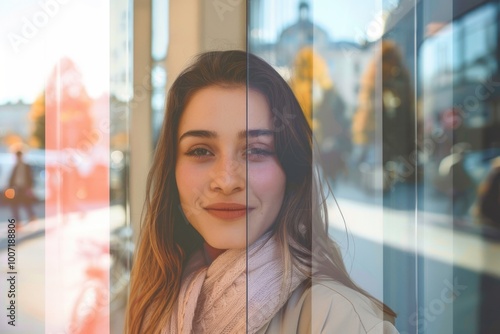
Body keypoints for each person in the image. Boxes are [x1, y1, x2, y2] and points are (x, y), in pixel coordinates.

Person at [125, 50, 398, 333]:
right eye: (201, 150)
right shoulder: (157, 299)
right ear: (173, 171)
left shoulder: (338, 319)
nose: (227, 180)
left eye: (256, 150)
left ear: (290, 172)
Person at [8, 150, 37, 227]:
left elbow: (30, 177)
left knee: (26, 203)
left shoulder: (26, 166)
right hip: (16, 188)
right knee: (14, 205)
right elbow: (12, 178)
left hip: (24, 188)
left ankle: (32, 216)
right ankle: (17, 222)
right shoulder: (15, 166)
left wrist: (29, 187)